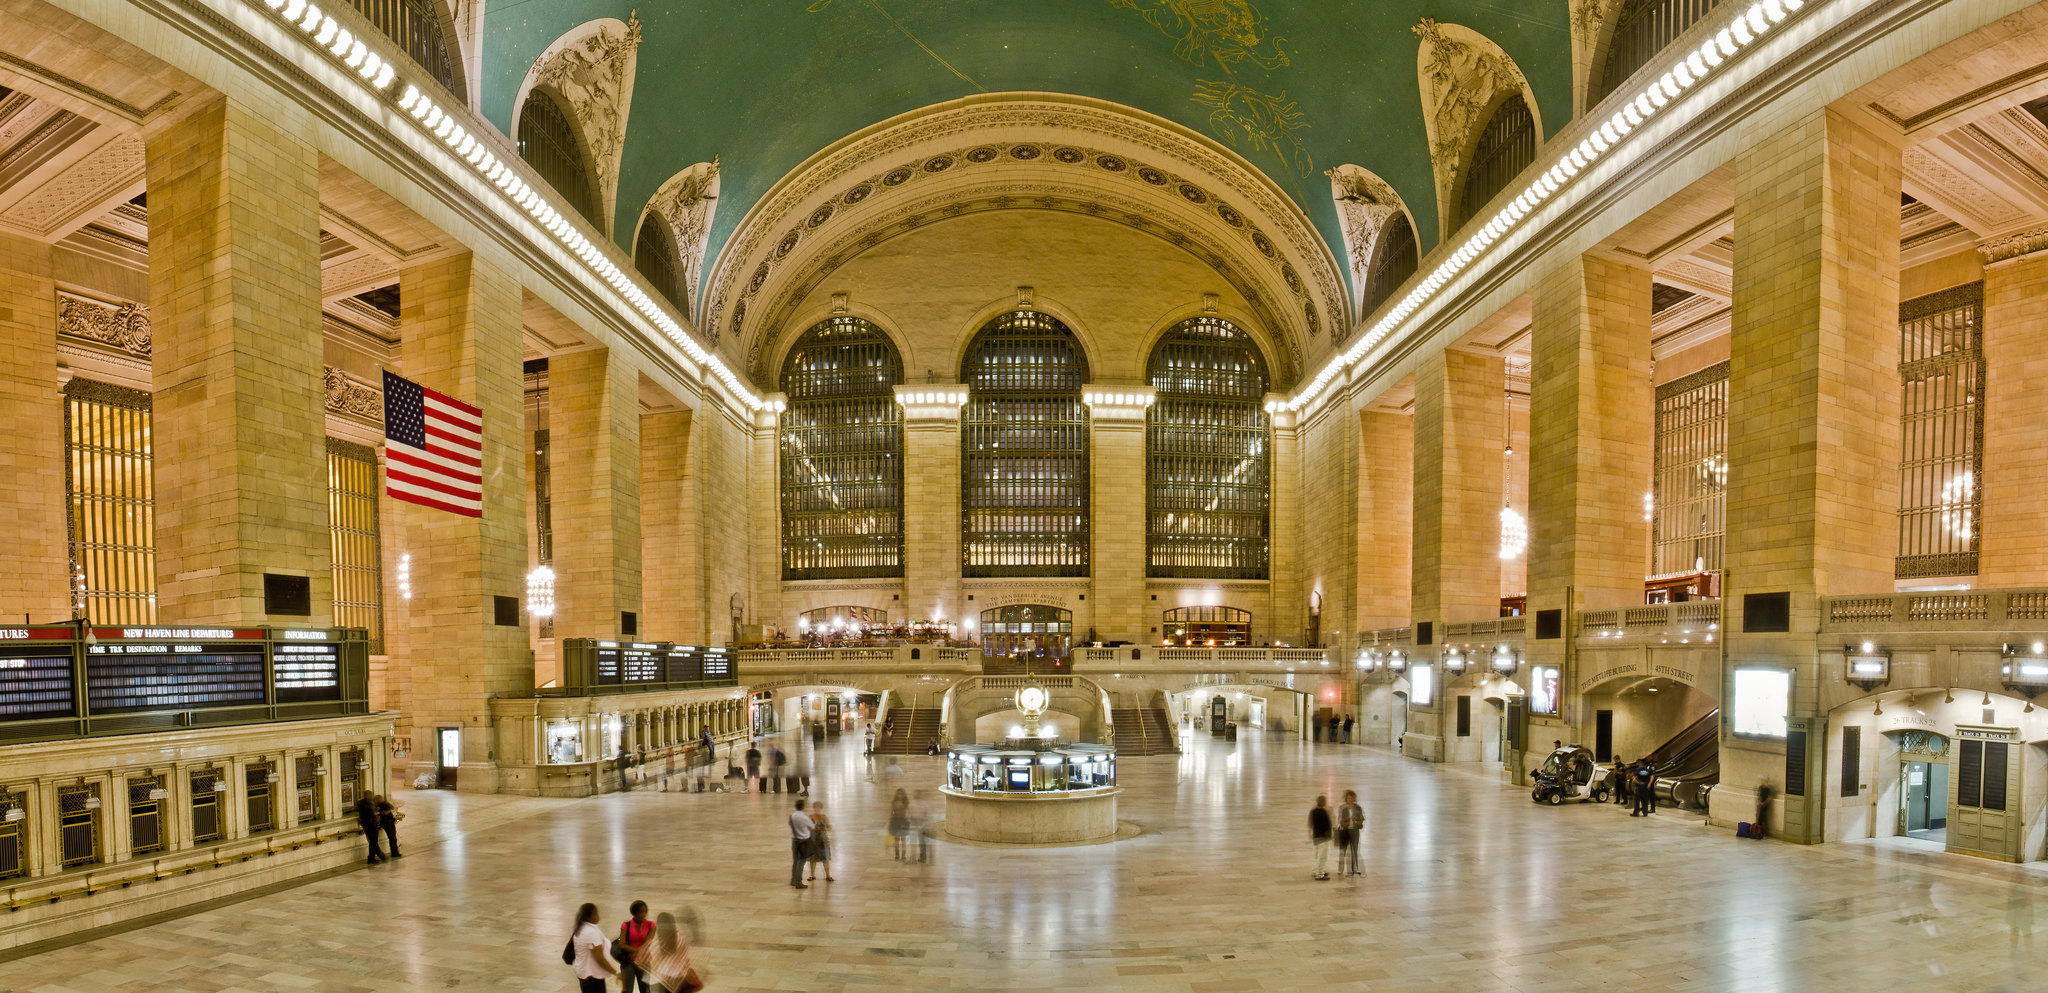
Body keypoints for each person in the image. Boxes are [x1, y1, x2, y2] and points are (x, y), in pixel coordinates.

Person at [635, 911, 700, 993]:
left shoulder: (658, 942)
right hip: (680, 977)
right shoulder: (679, 937)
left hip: (666, 980)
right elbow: (685, 957)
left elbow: (655, 961)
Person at [566, 903, 618, 993]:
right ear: (588, 917)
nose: (598, 916)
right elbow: (600, 959)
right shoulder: (591, 932)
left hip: (583, 973)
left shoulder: (580, 928)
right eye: (595, 913)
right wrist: (615, 972)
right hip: (592, 977)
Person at [618, 900, 654, 993]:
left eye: (645, 911)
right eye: (641, 911)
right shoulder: (626, 925)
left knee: (645, 989)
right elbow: (621, 944)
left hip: (644, 962)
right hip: (628, 961)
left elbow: (647, 943)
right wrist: (637, 950)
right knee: (627, 990)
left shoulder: (651, 925)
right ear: (635, 913)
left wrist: (635, 951)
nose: (644, 914)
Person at [1335, 790, 1364, 876]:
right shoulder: (1342, 807)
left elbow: (1361, 818)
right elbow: (1340, 819)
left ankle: (1354, 868)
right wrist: (1347, 821)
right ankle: (1340, 869)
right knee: (1342, 850)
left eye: (1352, 798)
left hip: (1355, 830)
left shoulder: (1358, 808)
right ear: (1346, 798)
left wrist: (1358, 821)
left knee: (1354, 850)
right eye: (1348, 798)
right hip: (1345, 831)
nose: (1350, 799)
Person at [788, 798, 815, 888]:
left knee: (795, 861)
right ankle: (798, 882)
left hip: (794, 840)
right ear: (803, 807)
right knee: (801, 861)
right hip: (803, 841)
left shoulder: (792, 815)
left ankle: (793, 880)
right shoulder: (804, 817)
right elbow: (812, 826)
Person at [806, 801, 836, 882]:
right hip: (812, 840)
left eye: (818, 807)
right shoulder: (810, 817)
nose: (816, 809)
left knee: (825, 858)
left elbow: (829, 828)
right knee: (812, 859)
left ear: (821, 808)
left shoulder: (824, 817)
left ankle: (828, 875)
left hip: (823, 840)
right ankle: (812, 875)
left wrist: (825, 828)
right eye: (815, 807)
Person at [354, 792, 384, 865]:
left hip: (365, 824)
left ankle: (373, 857)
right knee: (373, 842)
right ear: (369, 796)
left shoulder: (359, 803)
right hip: (372, 825)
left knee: (371, 841)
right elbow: (373, 814)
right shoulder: (370, 804)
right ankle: (375, 857)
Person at [1307, 795, 1332, 880]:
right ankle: (1320, 873)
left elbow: (1310, 824)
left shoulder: (1313, 811)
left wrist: (1310, 834)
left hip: (1316, 836)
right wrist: (1329, 834)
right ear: (1322, 802)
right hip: (1323, 838)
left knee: (1317, 855)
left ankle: (1315, 871)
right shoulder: (1323, 812)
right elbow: (1326, 825)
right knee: (1322, 856)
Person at [373, 794, 402, 859]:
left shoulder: (380, 806)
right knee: (392, 838)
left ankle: (395, 852)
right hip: (388, 823)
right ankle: (394, 852)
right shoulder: (383, 805)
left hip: (388, 823)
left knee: (393, 838)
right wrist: (388, 810)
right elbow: (388, 810)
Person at [888, 788, 911, 861]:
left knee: (903, 840)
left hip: (903, 821)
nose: (900, 795)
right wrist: (890, 822)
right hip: (896, 822)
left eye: (901, 793)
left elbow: (909, 812)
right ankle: (897, 855)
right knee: (897, 840)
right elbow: (891, 813)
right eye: (898, 793)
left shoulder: (906, 802)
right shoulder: (894, 803)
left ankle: (903, 856)